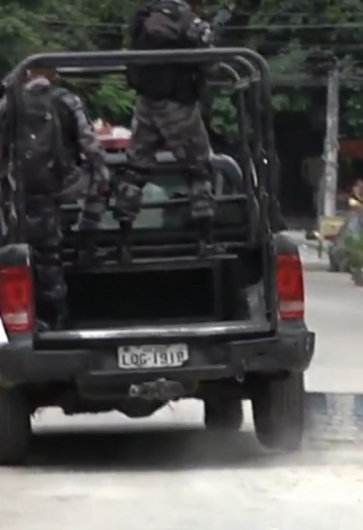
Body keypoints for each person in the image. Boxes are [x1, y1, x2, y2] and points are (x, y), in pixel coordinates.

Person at [0, 67, 110, 329]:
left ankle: (48, 319)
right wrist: (100, 172)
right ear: (55, 76)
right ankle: (87, 239)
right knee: (102, 177)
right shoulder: (66, 100)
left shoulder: (8, 103)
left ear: (26, 74)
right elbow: (90, 147)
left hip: (22, 196)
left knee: (35, 254)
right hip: (62, 188)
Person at [121, 0, 218, 262]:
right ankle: (205, 241)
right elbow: (211, 65)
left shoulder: (144, 13)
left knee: (135, 173)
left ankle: (123, 242)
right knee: (199, 171)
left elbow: (132, 51)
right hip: (178, 104)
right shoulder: (191, 23)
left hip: (145, 103)